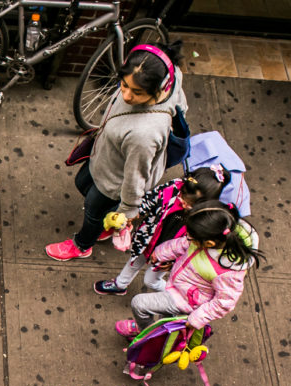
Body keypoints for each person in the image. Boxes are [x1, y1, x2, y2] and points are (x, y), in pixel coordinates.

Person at [46, 41, 187, 262]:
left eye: (137, 92)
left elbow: (135, 178)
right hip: (105, 158)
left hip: (115, 182)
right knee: (83, 183)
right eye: (124, 85)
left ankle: (82, 245)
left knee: (93, 211)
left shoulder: (144, 135)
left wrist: (127, 212)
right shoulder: (170, 75)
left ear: (160, 88)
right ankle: (105, 219)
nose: (127, 96)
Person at [115, 200, 264, 338]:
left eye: (191, 237)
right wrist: (160, 253)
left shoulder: (228, 272)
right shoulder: (206, 237)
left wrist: (197, 318)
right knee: (166, 320)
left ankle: (148, 335)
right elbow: (181, 244)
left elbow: (225, 302)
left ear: (209, 243)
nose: (188, 238)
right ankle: (158, 333)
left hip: (186, 302)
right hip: (178, 288)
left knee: (139, 303)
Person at [93, 164, 231, 296]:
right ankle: (120, 284)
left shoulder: (206, 218)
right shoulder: (173, 187)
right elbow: (149, 200)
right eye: (183, 195)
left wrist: (174, 262)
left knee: (151, 280)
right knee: (134, 261)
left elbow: (196, 246)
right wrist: (134, 214)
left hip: (169, 255)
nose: (183, 202)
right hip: (147, 238)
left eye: (190, 203)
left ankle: (176, 296)